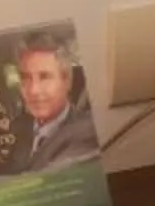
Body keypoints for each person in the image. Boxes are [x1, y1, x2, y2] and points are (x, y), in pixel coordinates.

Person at [10, 32, 100, 173]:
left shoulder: (85, 132)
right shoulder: (16, 129)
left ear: (67, 81)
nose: (33, 90)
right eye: (26, 78)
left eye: (44, 77)